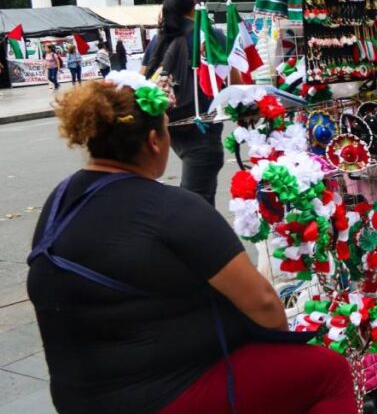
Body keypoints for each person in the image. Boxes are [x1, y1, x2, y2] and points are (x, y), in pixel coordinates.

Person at [27, 73, 358, 414]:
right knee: (327, 371)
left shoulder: (60, 200)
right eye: (168, 130)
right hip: (161, 396)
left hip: (77, 399)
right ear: (154, 140)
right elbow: (264, 304)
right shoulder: (172, 208)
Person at [147, 0, 224, 205]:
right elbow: (235, 79)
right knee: (197, 206)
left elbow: (143, 74)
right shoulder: (209, 37)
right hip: (202, 132)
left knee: (194, 201)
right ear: (197, 1)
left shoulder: (160, 38)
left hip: (168, 130)